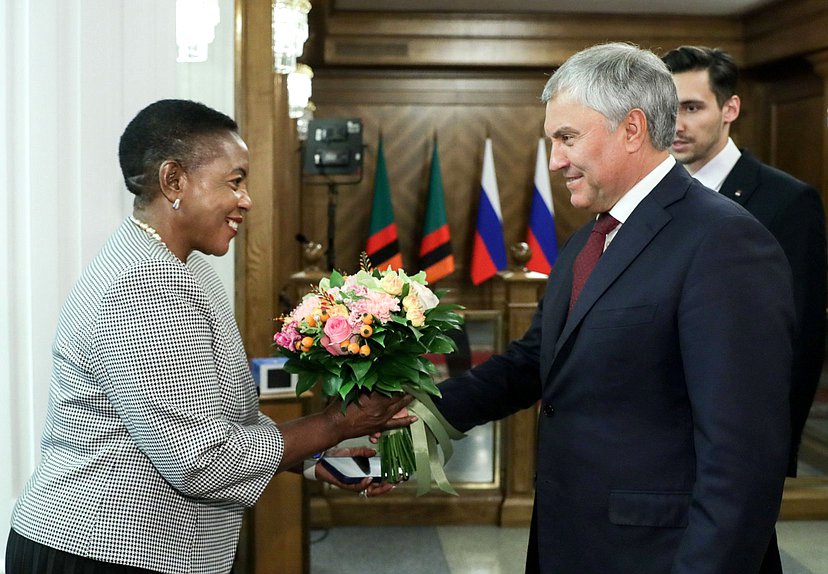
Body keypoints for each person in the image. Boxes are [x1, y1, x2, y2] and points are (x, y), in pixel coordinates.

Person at [5, 99, 415, 574]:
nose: (247, 199)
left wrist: (311, 455)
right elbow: (198, 459)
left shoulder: (184, 265)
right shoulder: (144, 283)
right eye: (235, 181)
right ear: (173, 180)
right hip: (103, 550)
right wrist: (335, 425)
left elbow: (210, 421)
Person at [433, 43, 794, 573]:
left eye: (567, 138)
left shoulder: (725, 242)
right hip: (573, 542)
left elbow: (743, 459)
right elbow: (536, 360)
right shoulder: (588, 241)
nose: (555, 159)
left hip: (662, 555)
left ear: (631, 129)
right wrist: (418, 416)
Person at [662, 45, 827, 478]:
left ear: (730, 108)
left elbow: (801, 336)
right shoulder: (650, 196)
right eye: (665, 108)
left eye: (692, 107)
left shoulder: (787, 201)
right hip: (656, 437)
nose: (675, 124)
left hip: (739, 443)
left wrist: (772, 452)